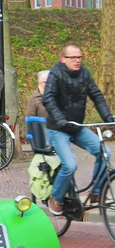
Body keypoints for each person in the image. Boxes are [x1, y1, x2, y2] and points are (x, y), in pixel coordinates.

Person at [42, 45, 114, 215]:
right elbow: (48, 99)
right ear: (63, 59)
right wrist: (60, 120)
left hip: (77, 127)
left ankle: (97, 192)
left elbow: (96, 95)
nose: (77, 60)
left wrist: (108, 117)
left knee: (104, 152)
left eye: (80, 57)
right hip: (58, 129)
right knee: (70, 165)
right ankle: (56, 198)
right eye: (73, 57)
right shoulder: (56, 74)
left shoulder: (84, 73)